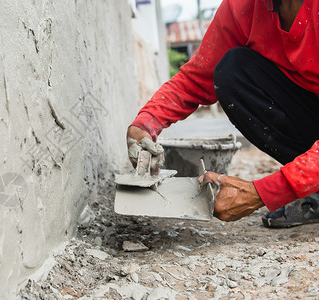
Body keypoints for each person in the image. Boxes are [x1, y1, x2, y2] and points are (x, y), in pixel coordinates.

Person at [127, 0, 319, 227]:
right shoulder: (244, 7)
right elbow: (197, 77)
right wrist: (144, 124)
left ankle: (308, 181)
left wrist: (263, 192)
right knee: (232, 71)